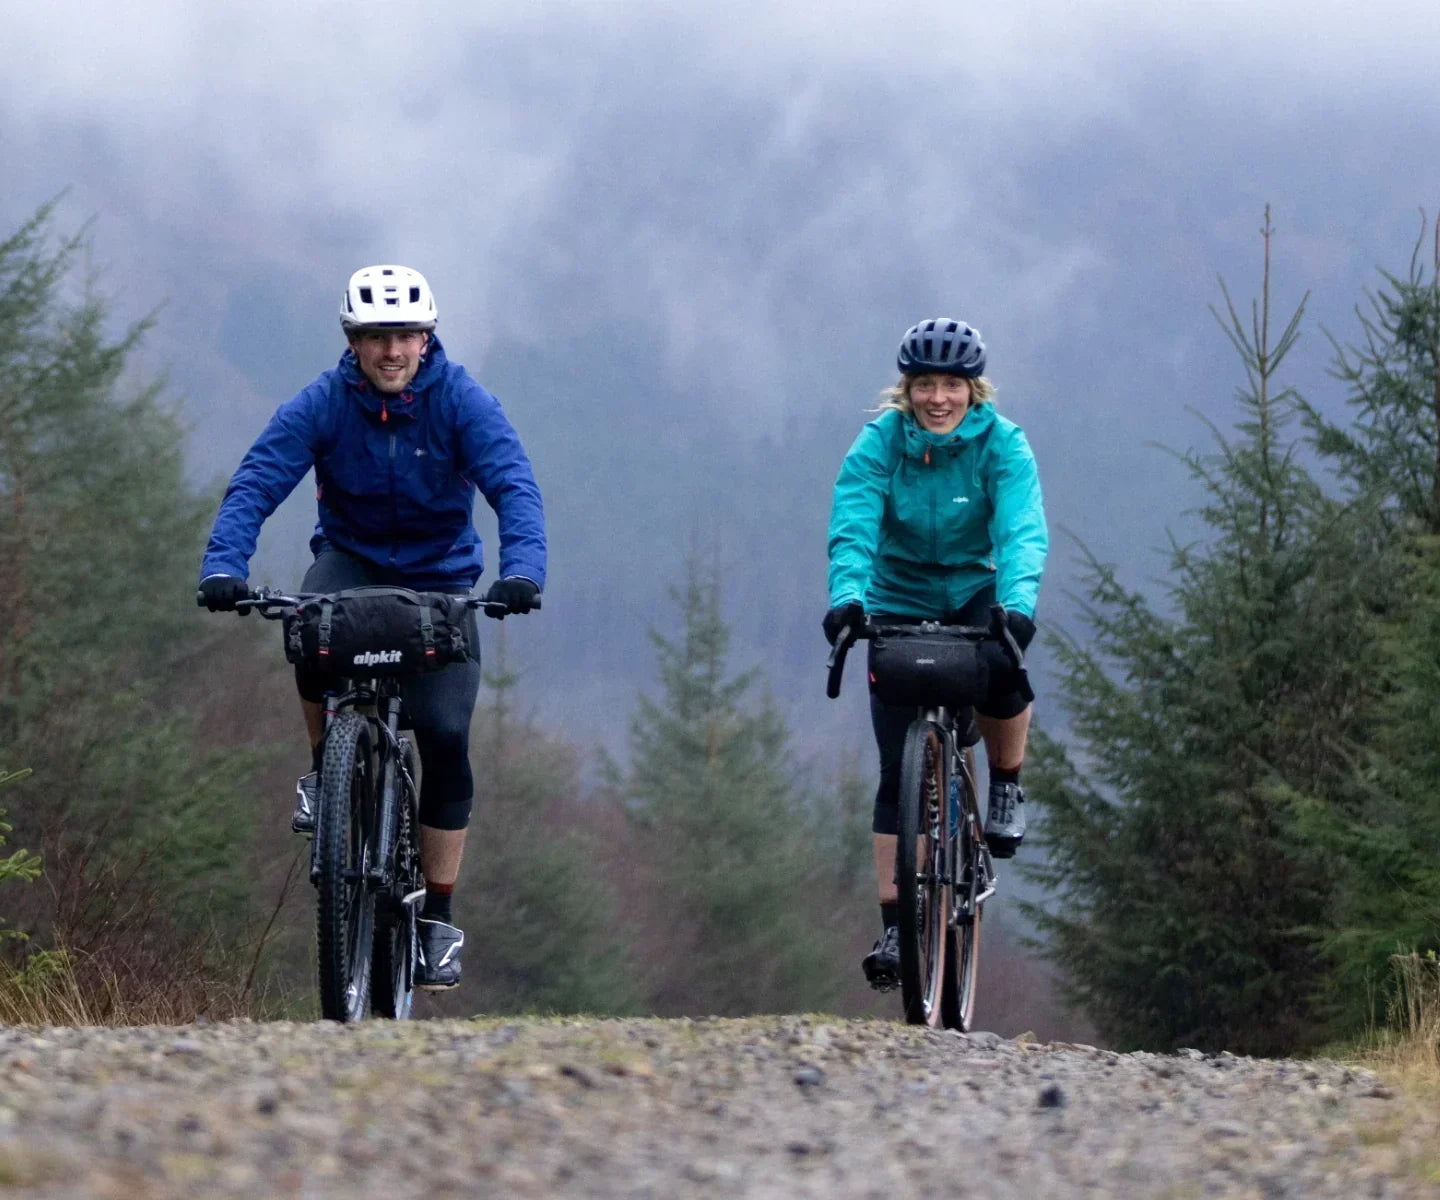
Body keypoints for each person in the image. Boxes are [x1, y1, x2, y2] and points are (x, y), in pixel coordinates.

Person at [197, 264, 546, 991]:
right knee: (307, 628)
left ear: (427, 338)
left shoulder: (461, 402)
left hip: (441, 579)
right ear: (352, 342)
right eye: (376, 337)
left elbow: (513, 484)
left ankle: (437, 919)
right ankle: (326, 768)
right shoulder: (323, 404)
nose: (392, 350)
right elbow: (258, 479)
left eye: (406, 335)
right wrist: (222, 565)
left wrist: (522, 573)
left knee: (446, 735)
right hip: (352, 563)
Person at [824, 317, 1047, 989]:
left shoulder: (1003, 445)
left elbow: (1020, 530)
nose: (939, 398)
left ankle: (1004, 785)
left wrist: (1018, 605)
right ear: (906, 390)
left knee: (1006, 670)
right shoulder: (878, 446)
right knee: (897, 771)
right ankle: (896, 927)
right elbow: (854, 525)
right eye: (926, 385)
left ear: (973, 389)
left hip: (978, 588)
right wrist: (848, 599)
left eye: (952, 385)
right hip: (896, 594)